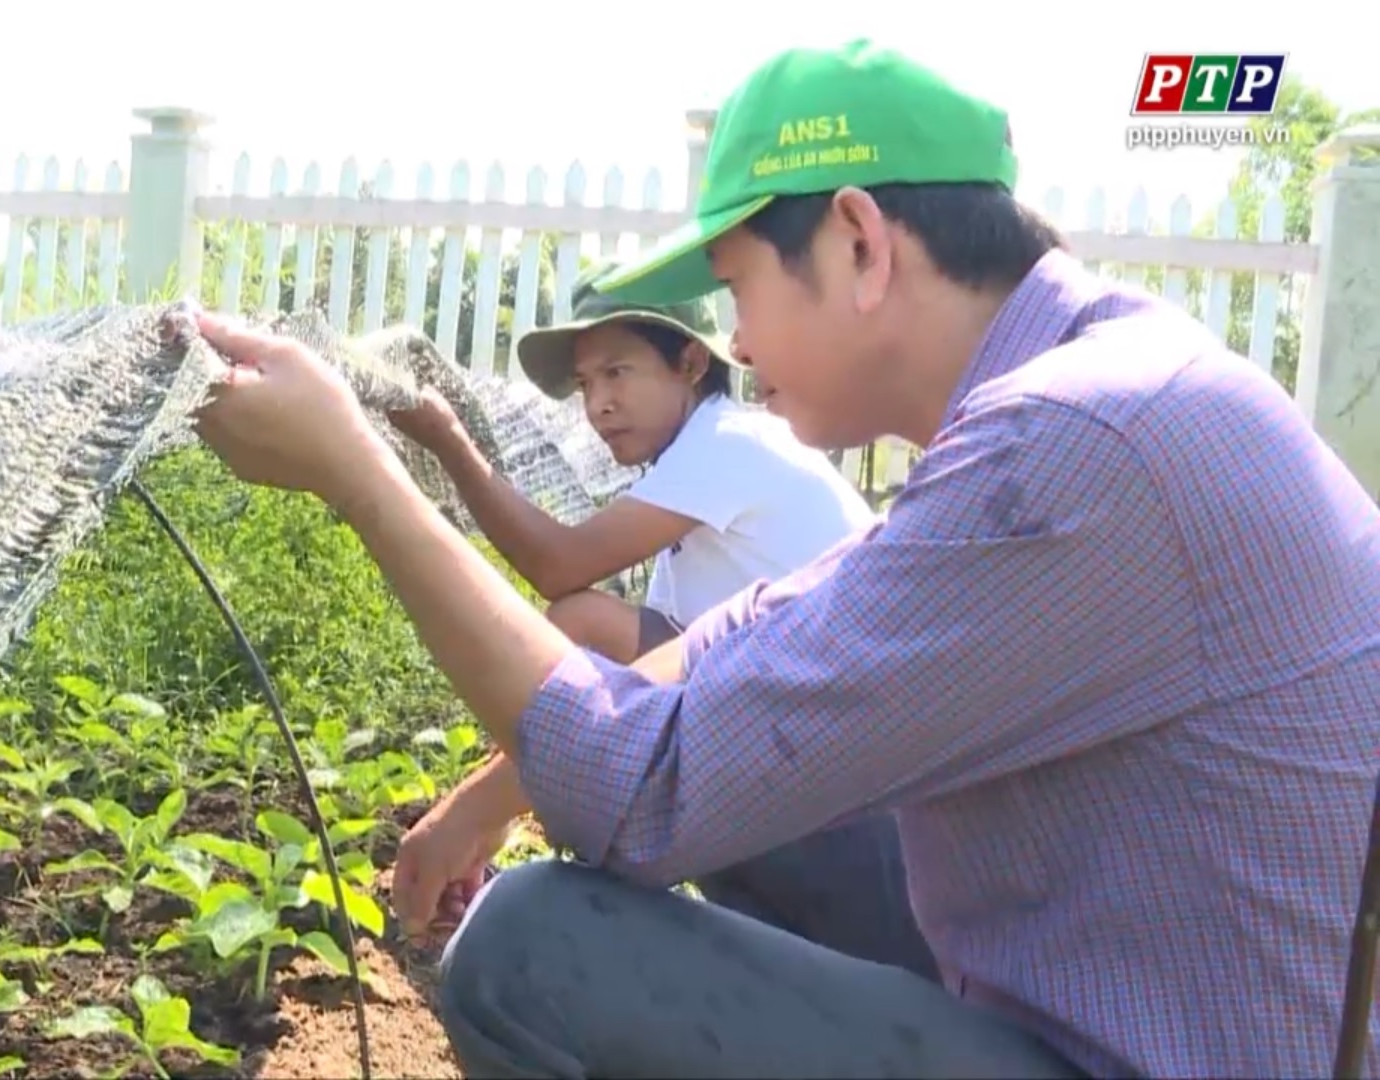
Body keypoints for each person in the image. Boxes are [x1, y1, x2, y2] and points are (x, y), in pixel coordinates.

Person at [182, 36, 1380, 1080]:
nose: (739, 339)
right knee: (761, 789)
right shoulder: (1101, 387)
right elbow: (750, 641)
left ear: (859, 240)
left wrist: (356, 471)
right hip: (1122, 984)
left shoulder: (1072, 443)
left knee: (530, 948)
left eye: (740, 282)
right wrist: (490, 797)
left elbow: (642, 793)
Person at [384, 261, 937, 980]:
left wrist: (450, 441)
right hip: (814, 764)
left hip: (865, 820)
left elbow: (559, 566)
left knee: (580, 629)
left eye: (618, 373)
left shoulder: (732, 445)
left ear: (690, 362)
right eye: (586, 385)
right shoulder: (696, 487)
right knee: (589, 647)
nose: (599, 404)